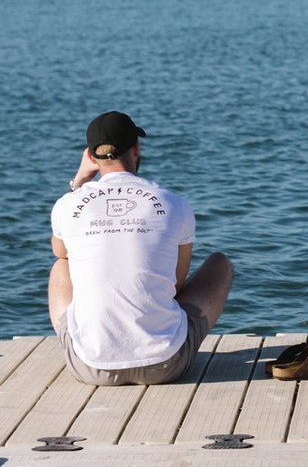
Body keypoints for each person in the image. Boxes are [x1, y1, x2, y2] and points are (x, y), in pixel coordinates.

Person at [49, 111, 234, 385]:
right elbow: (177, 284)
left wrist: (79, 183)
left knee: (61, 264)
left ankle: (96, 339)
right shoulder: (173, 203)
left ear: (90, 156)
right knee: (221, 264)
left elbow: (60, 251)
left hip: (89, 366)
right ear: (136, 149)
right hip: (166, 364)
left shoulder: (68, 205)